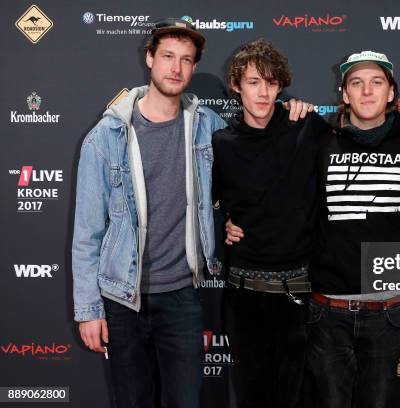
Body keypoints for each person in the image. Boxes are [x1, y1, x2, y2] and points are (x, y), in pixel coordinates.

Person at [72, 18, 308, 407]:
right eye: (167, 57)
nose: (176, 68)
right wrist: (88, 310)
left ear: (194, 67)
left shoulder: (207, 127)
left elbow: (254, 145)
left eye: (185, 59)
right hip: (122, 298)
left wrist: (292, 108)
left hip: (182, 296)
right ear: (149, 59)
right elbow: (87, 232)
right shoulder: (106, 136)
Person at [306, 51, 400, 408]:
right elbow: (293, 207)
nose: (367, 91)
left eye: (377, 82)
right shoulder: (320, 146)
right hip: (327, 312)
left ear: (391, 93)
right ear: (344, 93)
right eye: (356, 83)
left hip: (388, 314)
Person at [212, 38, 327, 408]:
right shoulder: (221, 143)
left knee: (295, 399)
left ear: (281, 86)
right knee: (251, 396)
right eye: (253, 82)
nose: (263, 93)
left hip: (298, 294)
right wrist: (222, 224)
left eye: (272, 83)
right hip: (243, 295)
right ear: (236, 85)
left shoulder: (306, 127)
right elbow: (203, 206)